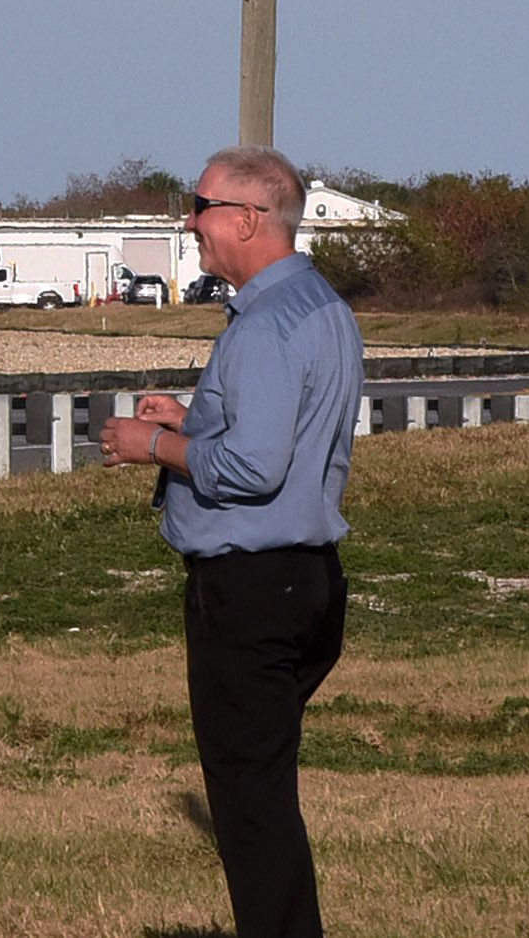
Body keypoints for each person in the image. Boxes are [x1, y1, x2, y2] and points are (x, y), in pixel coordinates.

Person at [101, 147, 362, 938]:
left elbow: (253, 467)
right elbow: (280, 433)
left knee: (252, 810)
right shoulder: (319, 306)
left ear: (249, 219)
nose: (191, 224)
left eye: (201, 207)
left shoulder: (266, 326)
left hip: (251, 591)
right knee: (263, 793)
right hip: (305, 581)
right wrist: (193, 421)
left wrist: (150, 446)